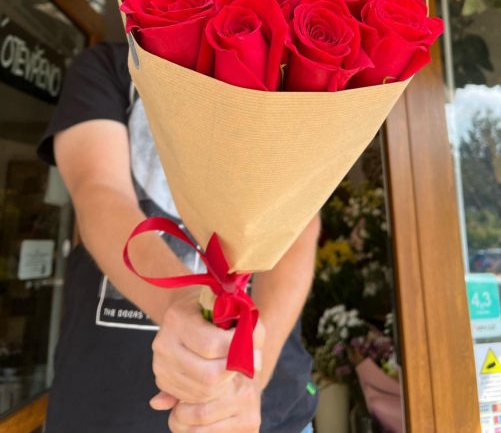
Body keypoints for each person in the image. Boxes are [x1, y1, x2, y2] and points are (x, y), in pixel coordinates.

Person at [37, 41, 320, 433]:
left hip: (264, 411)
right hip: (106, 404)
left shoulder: (286, 76)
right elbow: (98, 194)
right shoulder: (110, 65)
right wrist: (181, 302)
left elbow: (298, 228)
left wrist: (249, 378)